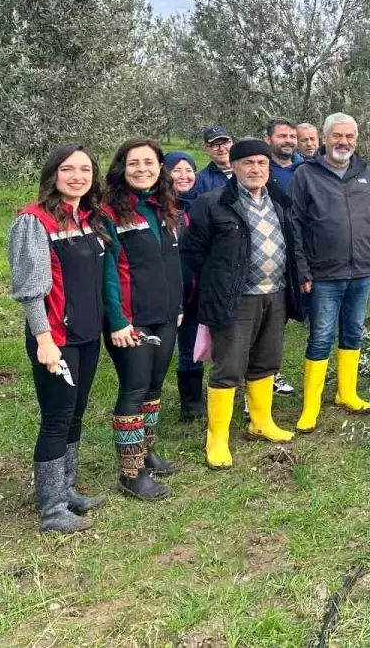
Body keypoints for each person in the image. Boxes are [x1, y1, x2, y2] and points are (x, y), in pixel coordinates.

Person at [181, 139, 303, 469]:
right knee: (229, 366)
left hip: (275, 293)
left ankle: (260, 421)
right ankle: (216, 437)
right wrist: (215, 283)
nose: (255, 169)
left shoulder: (279, 200)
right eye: (247, 162)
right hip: (236, 298)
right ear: (233, 167)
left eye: (261, 163)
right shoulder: (212, 203)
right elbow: (192, 253)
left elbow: (292, 242)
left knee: (266, 360)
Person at [7, 144, 110, 533]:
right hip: (55, 336)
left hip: (86, 333)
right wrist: (43, 339)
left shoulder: (86, 218)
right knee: (56, 419)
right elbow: (32, 289)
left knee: (76, 414)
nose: (78, 176)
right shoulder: (34, 222)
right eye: (68, 169)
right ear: (53, 174)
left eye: (85, 170)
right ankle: (51, 508)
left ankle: (67, 491)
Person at [290, 113, 370, 431]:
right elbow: (296, 227)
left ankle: (347, 392)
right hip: (323, 274)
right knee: (320, 337)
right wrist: (302, 270)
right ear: (325, 139)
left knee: (353, 332)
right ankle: (311, 406)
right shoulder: (305, 175)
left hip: (361, 271)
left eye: (349, 137)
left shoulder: (367, 174)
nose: (343, 142)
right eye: (337, 136)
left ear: (355, 140)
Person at [100, 139, 184, 501]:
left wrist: (177, 305)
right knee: (134, 390)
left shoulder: (164, 206)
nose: (141, 169)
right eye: (133, 163)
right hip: (131, 320)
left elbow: (171, 262)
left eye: (149, 163)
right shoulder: (109, 212)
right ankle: (130, 473)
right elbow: (106, 272)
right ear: (122, 167)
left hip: (165, 314)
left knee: (153, 390)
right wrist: (118, 320)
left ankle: (146, 452)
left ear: (159, 167)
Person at [165, 150, 206, 422]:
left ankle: (192, 405)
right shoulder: (160, 210)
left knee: (191, 348)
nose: (183, 176)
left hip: (196, 292)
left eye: (188, 170)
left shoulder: (203, 205)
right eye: (176, 170)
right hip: (167, 294)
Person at [264, 118, 303, 191]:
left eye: (293, 136)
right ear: (268, 139)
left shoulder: (306, 169)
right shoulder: (260, 170)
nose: (288, 141)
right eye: (282, 136)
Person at [194, 125, 233, 195]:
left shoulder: (245, 171)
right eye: (216, 145)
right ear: (207, 149)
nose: (221, 149)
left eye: (225, 143)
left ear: (231, 143)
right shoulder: (201, 180)